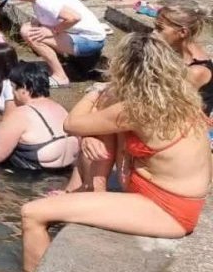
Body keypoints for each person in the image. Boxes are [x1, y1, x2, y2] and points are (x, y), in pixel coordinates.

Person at [20, 33, 211, 272]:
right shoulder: (179, 97)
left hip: (168, 210)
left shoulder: (137, 109)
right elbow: (96, 124)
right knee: (104, 111)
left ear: (124, 68)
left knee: (32, 213)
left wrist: (96, 91)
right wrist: (90, 134)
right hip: (173, 197)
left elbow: (71, 124)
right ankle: (93, 191)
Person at [0, 63, 79, 172]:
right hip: (64, 171)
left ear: (24, 89)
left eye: (14, 88)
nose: (13, 93)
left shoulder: (21, 114)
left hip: (31, 178)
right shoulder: (60, 109)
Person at [9, 0, 106, 87]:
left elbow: (74, 17)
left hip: (90, 41)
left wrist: (52, 31)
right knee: (27, 29)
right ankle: (61, 64)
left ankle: (61, 77)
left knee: (31, 35)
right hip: (84, 35)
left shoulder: (45, 2)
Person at [154, 5, 213, 116]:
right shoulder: (177, 50)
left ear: (183, 32)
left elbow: (170, 106)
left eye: (160, 29)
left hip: (189, 123)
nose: (154, 33)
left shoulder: (196, 71)